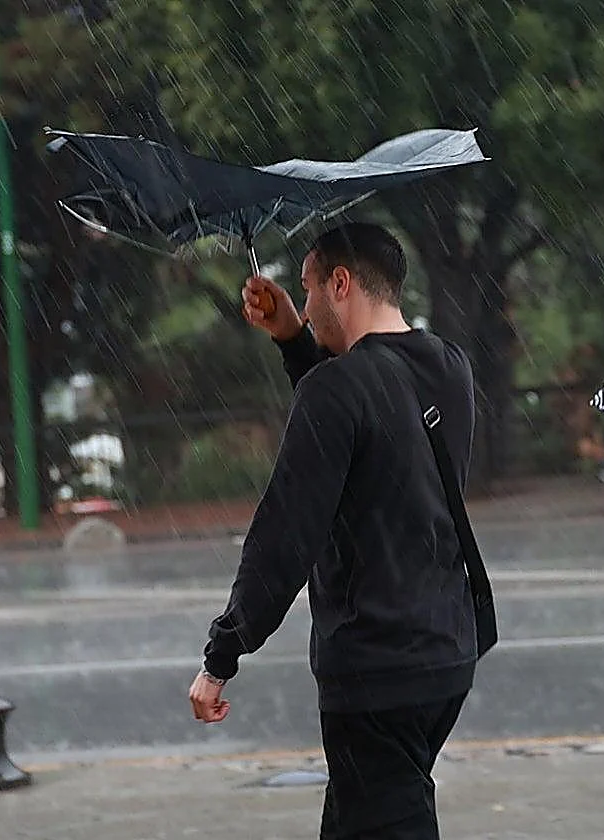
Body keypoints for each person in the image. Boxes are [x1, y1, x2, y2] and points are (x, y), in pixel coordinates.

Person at [187, 223, 479, 839]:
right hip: (445, 650)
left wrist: (222, 655)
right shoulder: (450, 367)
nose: (306, 301)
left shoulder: (335, 389)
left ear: (340, 284)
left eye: (309, 287)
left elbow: (284, 536)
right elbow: (368, 418)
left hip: (375, 664)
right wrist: (293, 336)